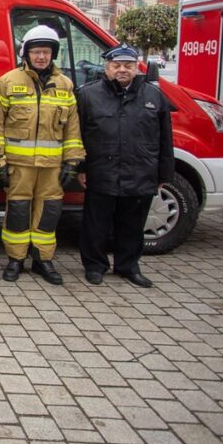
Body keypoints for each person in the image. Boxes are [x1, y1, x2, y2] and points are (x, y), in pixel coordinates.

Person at [0, 24, 84, 285]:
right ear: (26, 53)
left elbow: (72, 128)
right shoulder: (9, 81)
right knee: (18, 210)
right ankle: (15, 259)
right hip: (18, 165)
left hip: (52, 166)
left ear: (53, 54)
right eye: (36, 52)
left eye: (46, 52)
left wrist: (72, 161)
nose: (41, 57)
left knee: (49, 211)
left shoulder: (65, 85)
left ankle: (43, 259)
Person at [76, 44, 173, 288]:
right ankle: (95, 266)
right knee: (96, 224)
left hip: (140, 171)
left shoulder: (154, 96)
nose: (122, 70)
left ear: (136, 68)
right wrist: (80, 167)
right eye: (116, 65)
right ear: (107, 68)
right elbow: (78, 136)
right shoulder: (88, 95)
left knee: (132, 225)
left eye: (128, 65)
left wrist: (164, 173)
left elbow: (165, 138)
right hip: (101, 171)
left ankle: (128, 266)